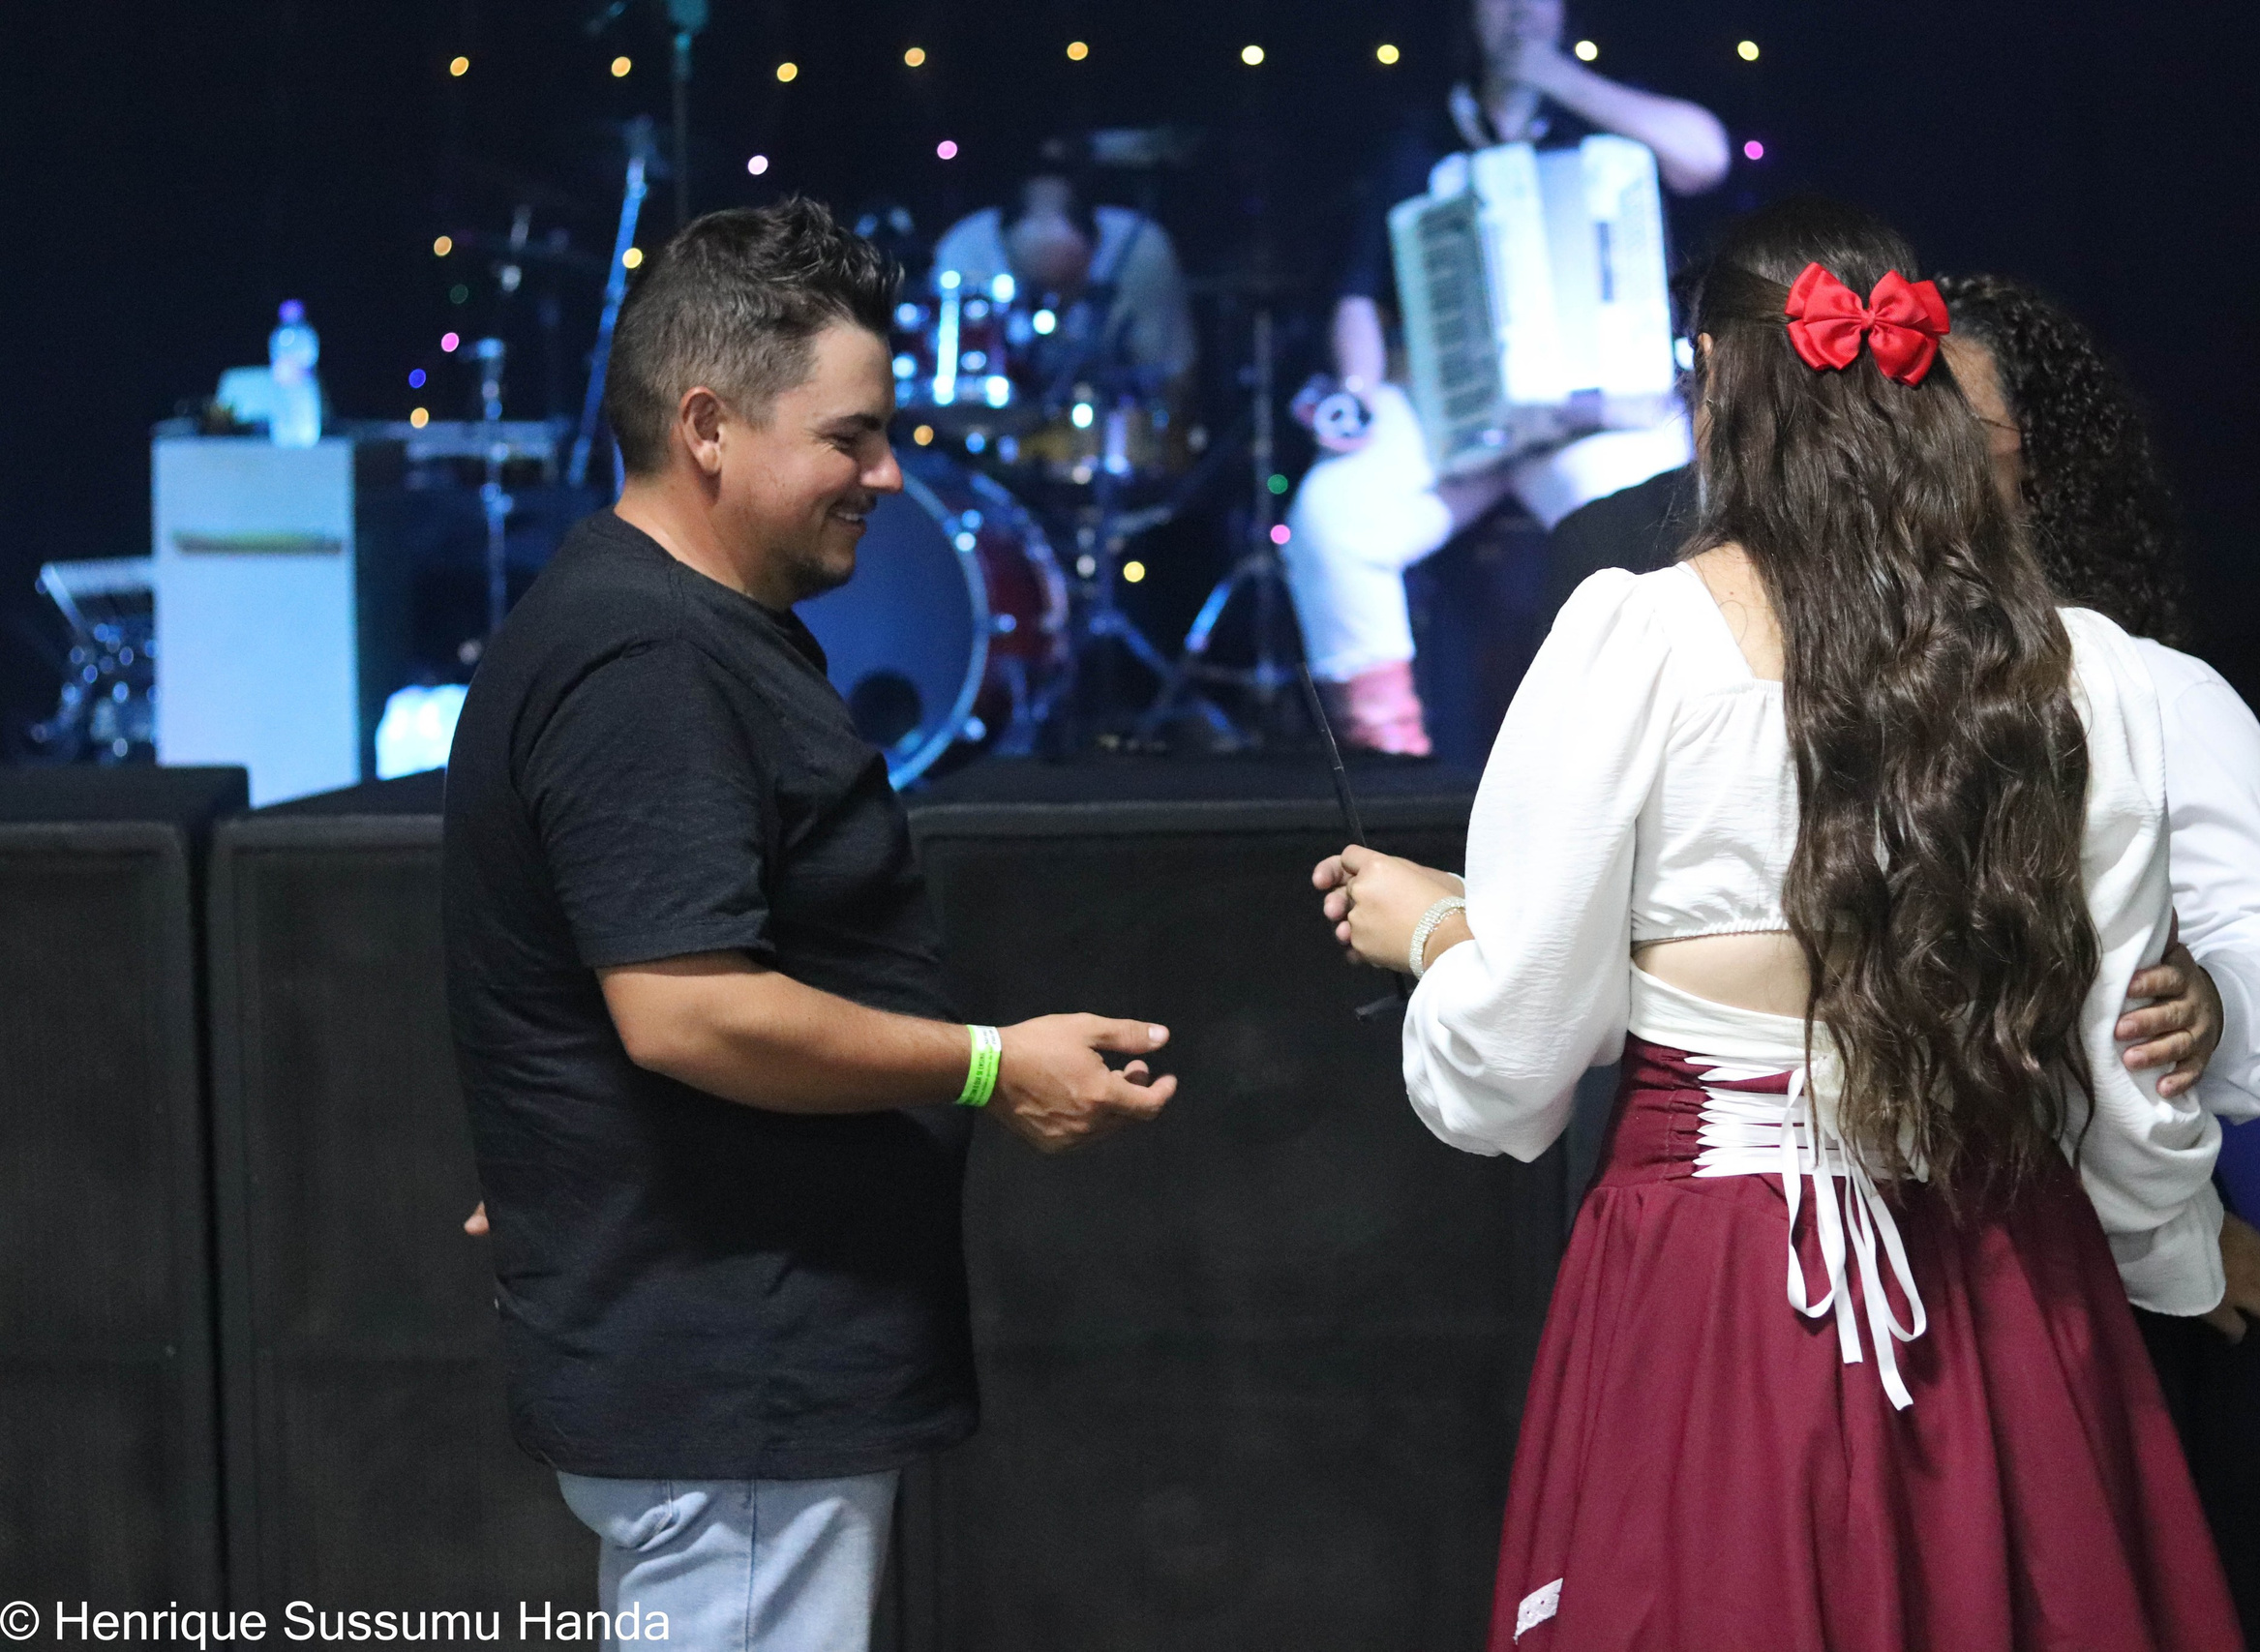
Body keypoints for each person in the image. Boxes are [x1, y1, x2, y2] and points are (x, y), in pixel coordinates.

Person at [1312, 199, 2243, 1648]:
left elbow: (1513, 1059)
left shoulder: (1638, 640)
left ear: (1714, 383)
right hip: (2004, 1276)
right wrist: (2162, 1248)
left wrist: (1438, 939)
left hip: (1725, 1287)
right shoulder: (2086, 672)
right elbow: (2128, 1078)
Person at [442, 198, 1178, 1651]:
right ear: (708, 425)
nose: (890, 474)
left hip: (729, 1357)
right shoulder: (646, 655)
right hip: (733, 1378)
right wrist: (988, 1062)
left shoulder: (663, 624)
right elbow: (685, 1006)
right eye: (852, 436)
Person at [1942, 271, 2260, 1651]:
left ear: (2038, 462)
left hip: (2116, 1275)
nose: (1918, 446)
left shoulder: (2153, 689)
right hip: (1905, 1283)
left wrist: (2219, 997)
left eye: (1957, 412)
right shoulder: (1818, 688)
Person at [1282, 0, 1732, 755]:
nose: (1520, 10)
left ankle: (1652, 757)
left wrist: (1559, 79)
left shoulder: (1604, 119)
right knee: (1332, 515)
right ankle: (1388, 758)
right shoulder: (1421, 139)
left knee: (1671, 523)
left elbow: (1707, 157)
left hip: (1598, 414)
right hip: (1457, 415)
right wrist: (1359, 393)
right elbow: (1359, 293)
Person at [931, 159, 1195, 400]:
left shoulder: (1140, 250)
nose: (1053, 305)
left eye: (1067, 286)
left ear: (1092, 250)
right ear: (1008, 257)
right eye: (1039, 289)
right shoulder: (965, 252)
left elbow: (1174, 375)